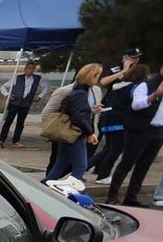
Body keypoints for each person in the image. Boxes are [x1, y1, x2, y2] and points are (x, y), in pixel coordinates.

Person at [104, 67, 163, 206]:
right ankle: (112, 196)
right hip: (141, 130)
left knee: (144, 166)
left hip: (158, 131)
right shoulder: (145, 85)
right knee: (126, 163)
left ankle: (131, 197)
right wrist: (155, 95)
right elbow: (136, 105)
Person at [46, 64, 102, 183]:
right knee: (80, 166)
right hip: (75, 133)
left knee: (60, 164)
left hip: (67, 131)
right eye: (97, 76)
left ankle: (45, 185)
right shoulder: (80, 94)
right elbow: (78, 117)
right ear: (92, 76)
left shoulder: (75, 91)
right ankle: (71, 187)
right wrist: (89, 133)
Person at [91, 53, 142, 184]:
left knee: (109, 148)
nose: (135, 60)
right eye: (132, 57)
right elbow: (104, 81)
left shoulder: (131, 79)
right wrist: (125, 69)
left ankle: (86, 168)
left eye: (137, 58)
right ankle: (101, 174)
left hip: (113, 114)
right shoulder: (121, 74)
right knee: (113, 148)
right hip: (112, 112)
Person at [0, 60, 44, 148]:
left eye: (32, 68)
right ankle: (2, 139)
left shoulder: (37, 79)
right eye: (29, 68)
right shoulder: (18, 78)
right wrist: (7, 94)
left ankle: (16, 140)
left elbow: (47, 86)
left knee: (20, 122)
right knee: (8, 121)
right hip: (15, 102)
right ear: (25, 69)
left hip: (26, 103)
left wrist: (40, 96)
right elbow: (3, 86)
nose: (30, 70)